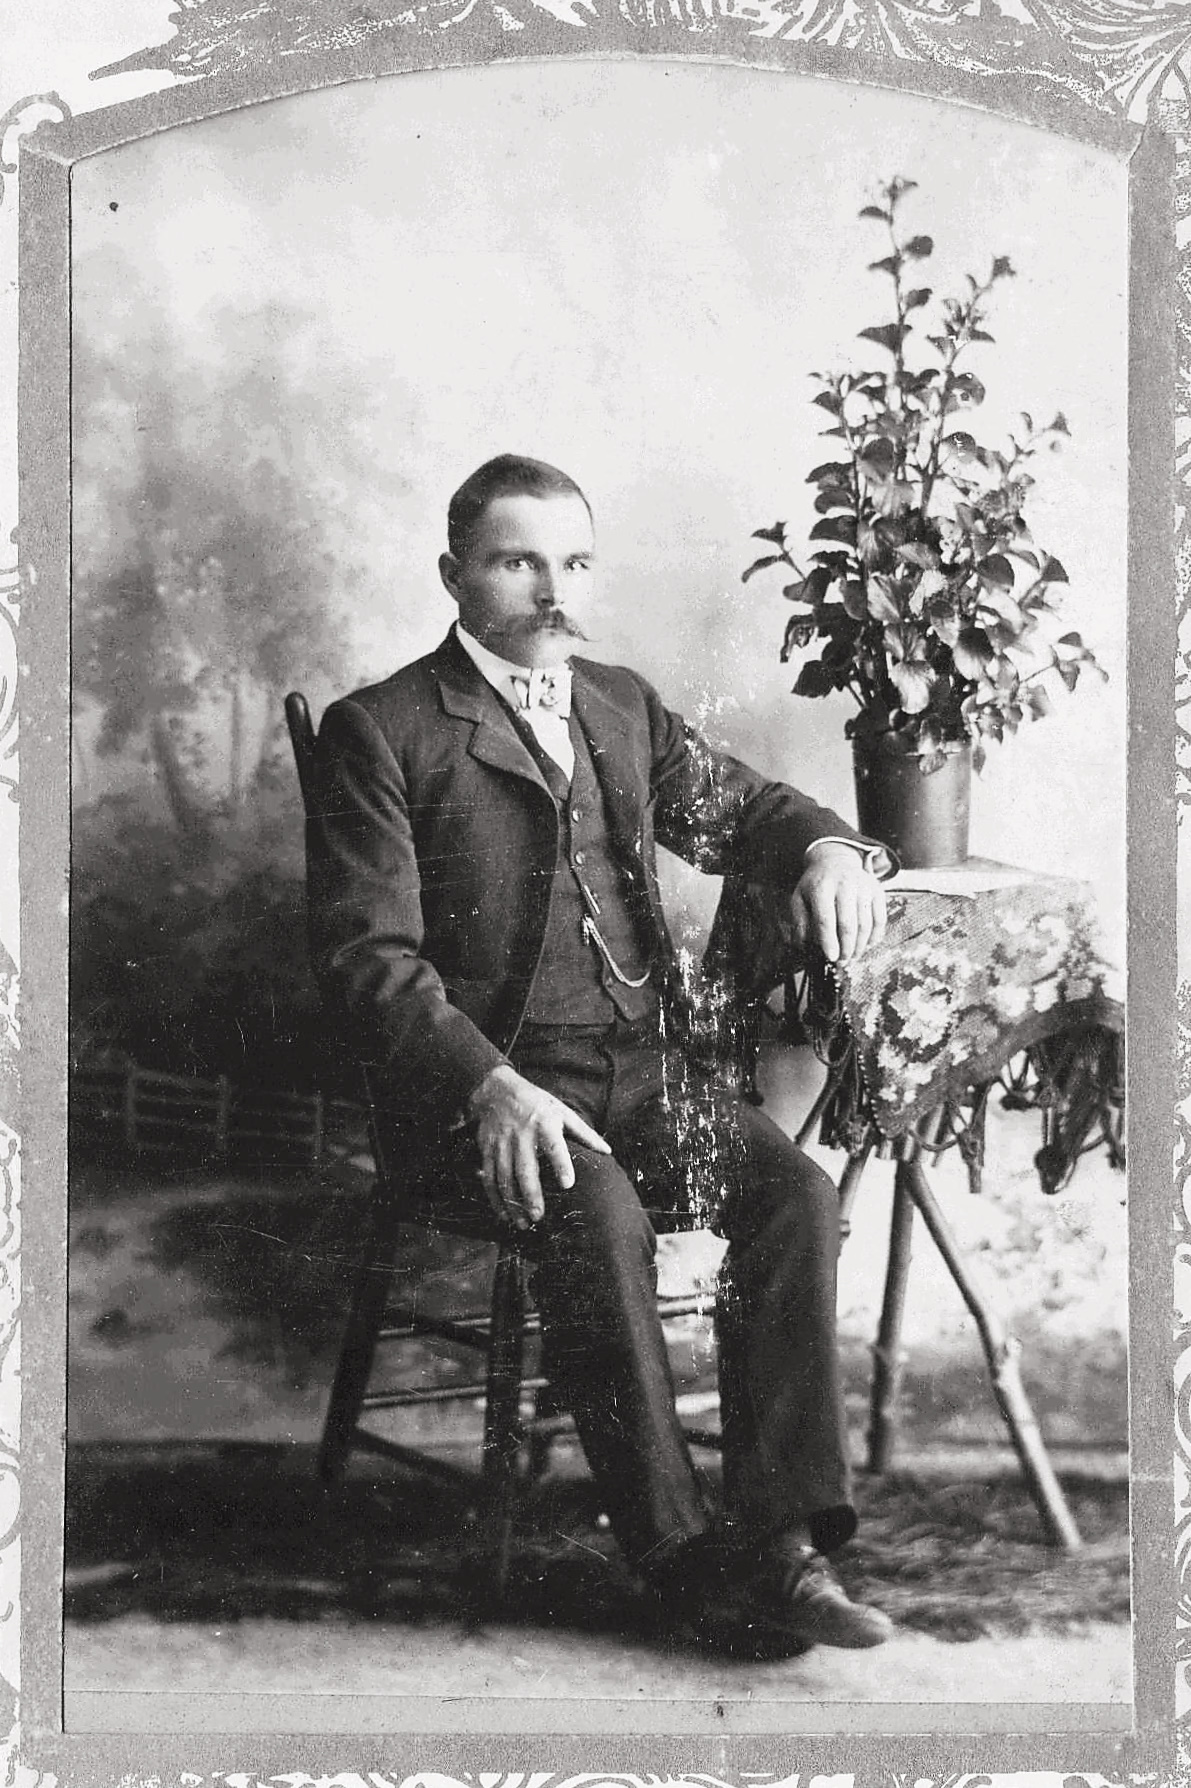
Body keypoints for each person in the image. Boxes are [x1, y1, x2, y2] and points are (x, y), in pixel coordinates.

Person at [307, 453, 897, 1656]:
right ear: (454, 576)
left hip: (641, 1072)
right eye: (517, 562)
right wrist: (488, 1083)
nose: (552, 591)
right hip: (481, 1097)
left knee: (795, 1193)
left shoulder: (617, 704)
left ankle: (783, 1549)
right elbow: (370, 960)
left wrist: (832, 850)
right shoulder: (385, 730)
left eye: (572, 562)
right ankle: (680, 1561)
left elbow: (752, 811)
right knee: (600, 1215)